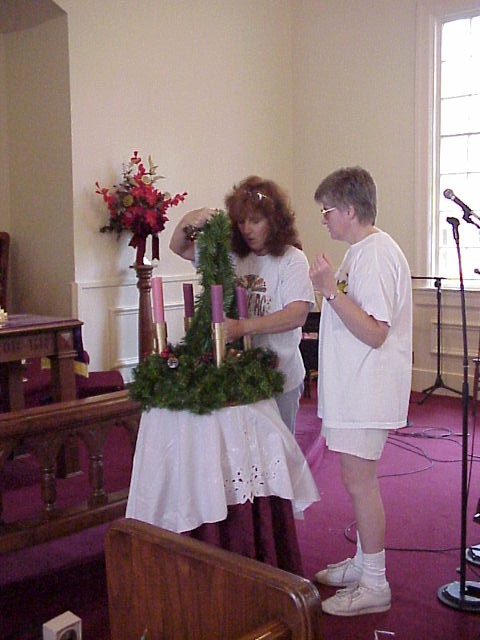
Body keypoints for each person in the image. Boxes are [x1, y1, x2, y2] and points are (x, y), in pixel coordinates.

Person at [309, 166, 412, 616]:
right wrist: (331, 289)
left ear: (349, 210)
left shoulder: (376, 254)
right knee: (355, 482)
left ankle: (374, 583)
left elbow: (374, 332)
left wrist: (330, 291)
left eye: (327, 211)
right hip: (354, 389)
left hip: (367, 391)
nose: (324, 219)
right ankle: (362, 563)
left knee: (361, 483)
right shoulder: (360, 252)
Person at [169, 175, 315, 433]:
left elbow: (296, 315)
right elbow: (178, 247)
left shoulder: (292, 259)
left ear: (274, 221)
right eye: (241, 221)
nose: (247, 229)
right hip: (239, 376)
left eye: (255, 221)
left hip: (281, 376)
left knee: (279, 446)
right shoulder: (232, 255)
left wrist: (241, 327)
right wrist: (195, 216)